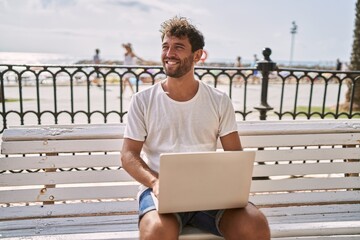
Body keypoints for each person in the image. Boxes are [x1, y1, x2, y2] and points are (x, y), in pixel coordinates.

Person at [121, 16, 270, 240]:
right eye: (165, 46)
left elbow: (234, 155)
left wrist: (228, 187)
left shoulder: (219, 100)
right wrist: (156, 181)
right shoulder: (143, 100)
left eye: (178, 47)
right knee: (156, 231)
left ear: (198, 55)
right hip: (159, 191)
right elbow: (128, 154)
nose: (169, 54)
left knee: (255, 224)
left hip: (209, 194)